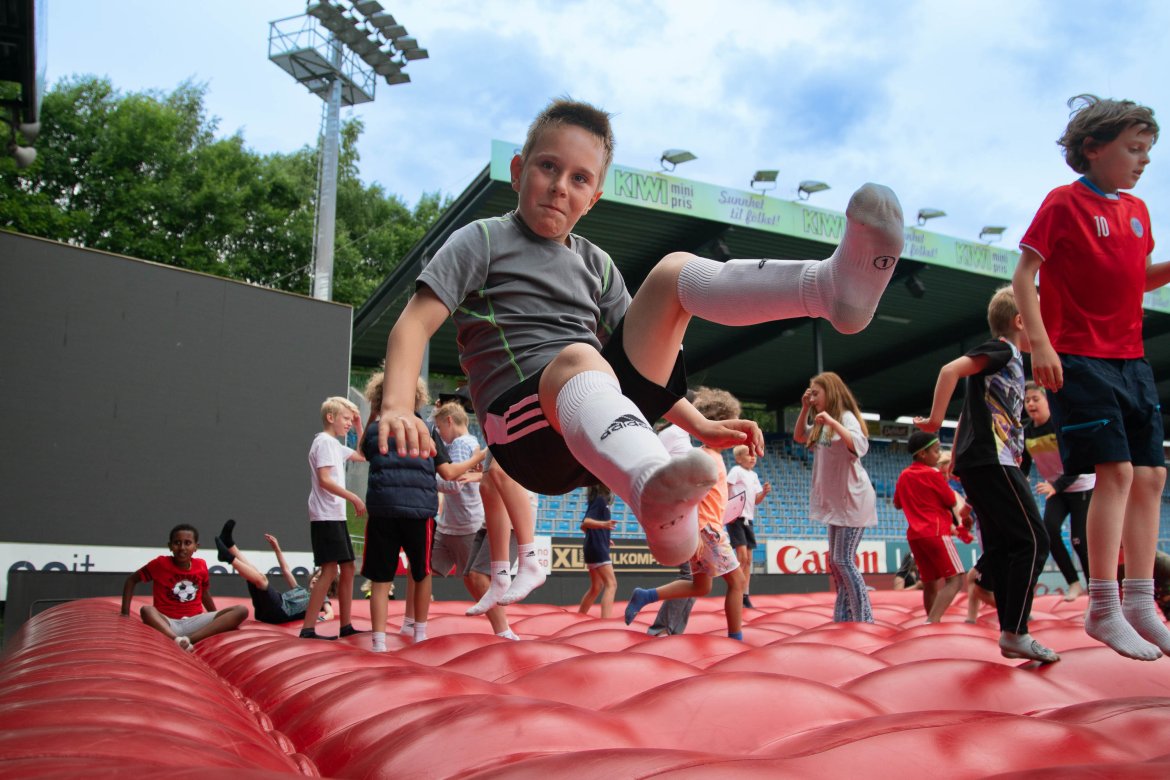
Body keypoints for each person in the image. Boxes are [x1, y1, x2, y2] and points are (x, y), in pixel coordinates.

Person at [376, 98, 904, 577]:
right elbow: (414, 323)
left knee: (672, 273)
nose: (560, 186)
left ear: (594, 198)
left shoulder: (597, 265)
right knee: (580, 357)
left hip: (591, 412)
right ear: (518, 171)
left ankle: (830, 290)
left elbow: (645, 365)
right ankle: (652, 481)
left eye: (579, 178)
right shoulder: (483, 240)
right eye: (548, 167)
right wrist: (399, 405)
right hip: (524, 435)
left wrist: (700, 425)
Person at [1013, 94, 1170, 661]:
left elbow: (1136, 280)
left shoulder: (1139, 211)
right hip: (1079, 357)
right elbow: (1024, 275)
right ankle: (1103, 605)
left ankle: (1141, 602)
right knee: (1117, 471)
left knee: (1152, 475)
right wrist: (1041, 345)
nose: (1144, 160)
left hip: (1131, 359)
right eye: (1134, 148)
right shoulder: (1064, 202)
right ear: (1093, 148)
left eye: (1148, 150)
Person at [915, 286, 1058, 663]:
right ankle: (1016, 630)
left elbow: (971, 407)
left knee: (1002, 546)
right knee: (1034, 540)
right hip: (992, 459)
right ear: (1020, 321)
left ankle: (1009, 627)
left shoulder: (1011, 362)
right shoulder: (1003, 350)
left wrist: (958, 455)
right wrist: (934, 421)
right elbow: (950, 370)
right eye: (1038, 316)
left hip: (986, 460)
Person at [624, 387, 748, 640]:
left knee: (700, 587)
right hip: (707, 531)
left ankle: (647, 595)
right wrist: (701, 529)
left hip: (702, 529)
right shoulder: (706, 458)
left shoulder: (708, 456)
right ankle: (736, 636)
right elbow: (692, 497)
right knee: (737, 582)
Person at [362, 374, 467, 649]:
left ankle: (379, 641)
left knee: (380, 579)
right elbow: (447, 471)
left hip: (383, 508)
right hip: (419, 510)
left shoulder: (376, 429)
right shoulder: (427, 429)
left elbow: (364, 451)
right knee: (422, 573)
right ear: (418, 396)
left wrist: (375, 413)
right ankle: (419, 632)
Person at [795, 372, 877, 623]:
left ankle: (863, 616)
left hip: (852, 500)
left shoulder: (845, 418)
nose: (812, 397)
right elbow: (800, 436)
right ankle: (843, 616)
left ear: (830, 392)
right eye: (810, 393)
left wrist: (832, 421)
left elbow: (859, 445)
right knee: (836, 562)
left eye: (816, 393)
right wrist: (805, 409)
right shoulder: (823, 425)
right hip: (836, 503)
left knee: (843, 559)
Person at [299, 396, 367, 641]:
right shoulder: (325, 442)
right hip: (325, 514)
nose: (349, 423)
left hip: (333, 514)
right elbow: (325, 480)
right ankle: (308, 628)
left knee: (348, 567)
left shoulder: (335, 445)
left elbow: (363, 454)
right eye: (346, 419)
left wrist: (359, 424)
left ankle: (345, 625)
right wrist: (353, 497)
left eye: (351, 419)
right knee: (329, 570)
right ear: (330, 418)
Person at [1020, 381, 1094, 601]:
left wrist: (1055, 485)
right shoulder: (1027, 432)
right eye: (1027, 400)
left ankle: (1095, 592)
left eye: (1036, 399)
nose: (1031, 404)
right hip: (1057, 490)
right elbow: (1024, 466)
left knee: (1079, 541)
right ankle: (1073, 583)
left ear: (1047, 401)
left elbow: (1079, 462)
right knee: (1049, 532)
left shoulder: (1060, 425)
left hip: (1081, 485)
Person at [121, 523, 246, 651]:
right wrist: (124, 615)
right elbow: (131, 580)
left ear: (196, 547)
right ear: (170, 546)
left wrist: (215, 617)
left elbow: (204, 593)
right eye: (177, 543)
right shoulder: (160, 564)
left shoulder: (201, 565)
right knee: (146, 610)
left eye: (187, 543)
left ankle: (189, 640)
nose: (182, 547)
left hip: (195, 622)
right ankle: (177, 640)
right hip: (168, 623)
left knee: (241, 610)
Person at [893, 431, 966, 622]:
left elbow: (897, 504)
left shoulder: (904, 475)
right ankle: (932, 620)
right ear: (923, 454)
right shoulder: (933, 474)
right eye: (936, 451)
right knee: (956, 579)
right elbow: (950, 500)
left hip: (916, 537)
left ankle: (931, 622)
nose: (938, 454)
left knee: (929, 583)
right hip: (936, 532)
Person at [214, 519, 313, 625]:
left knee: (262, 579)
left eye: (320, 578)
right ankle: (229, 545)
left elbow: (326, 612)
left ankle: (228, 557)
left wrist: (320, 619)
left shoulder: (320, 600)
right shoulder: (300, 590)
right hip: (267, 610)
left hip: (279, 613)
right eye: (316, 576)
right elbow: (286, 570)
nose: (316, 579)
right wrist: (277, 548)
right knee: (254, 573)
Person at [726, 444, 770, 609]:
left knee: (749, 559)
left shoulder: (754, 475)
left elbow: (756, 500)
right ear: (738, 458)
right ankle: (736, 590)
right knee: (742, 556)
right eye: (749, 454)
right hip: (736, 517)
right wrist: (727, 509)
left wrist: (763, 493)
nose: (753, 457)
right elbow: (726, 488)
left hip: (748, 519)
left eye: (755, 455)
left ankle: (745, 593)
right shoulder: (736, 471)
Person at [577, 484, 618, 618]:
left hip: (593, 546)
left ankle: (579, 617)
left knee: (596, 587)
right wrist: (604, 525)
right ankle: (606, 622)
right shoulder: (600, 500)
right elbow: (587, 522)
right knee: (611, 584)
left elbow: (583, 526)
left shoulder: (597, 500)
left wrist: (603, 536)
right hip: (597, 548)